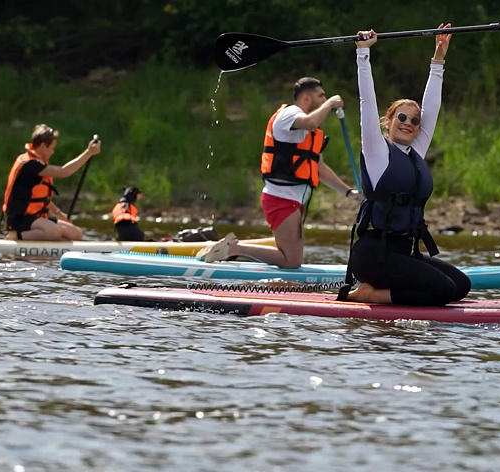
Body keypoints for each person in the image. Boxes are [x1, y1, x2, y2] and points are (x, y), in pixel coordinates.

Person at [339, 24, 471, 306]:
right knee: (444, 291)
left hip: (405, 252)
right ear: (389, 121)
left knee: (460, 286)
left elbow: (431, 109)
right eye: (402, 118)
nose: (409, 124)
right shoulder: (377, 151)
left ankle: (377, 291)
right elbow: (366, 101)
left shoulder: (414, 153)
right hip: (376, 254)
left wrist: (438, 59)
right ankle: (371, 294)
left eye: (414, 120)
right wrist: (363, 55)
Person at [197, 77, 361, 268]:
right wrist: (332, 103)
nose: (325, 100)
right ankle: (234, 249)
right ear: (307, 99)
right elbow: (310, 122)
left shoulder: (310, 131)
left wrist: (349, 193)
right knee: (291, 261)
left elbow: (320, 169)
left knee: (291, 258)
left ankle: (232, 253)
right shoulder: (290, 114)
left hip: (292, 201)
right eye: (321, 96)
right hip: (281, 198)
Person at [2, 124, 101, 241]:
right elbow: (64, 172)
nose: (53, 152)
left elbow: (40, 198)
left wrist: (58, 214)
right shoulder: (30, 165)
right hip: (20, 219)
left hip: (37, 219)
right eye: (52, 148)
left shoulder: (38, 163)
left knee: (76, 234)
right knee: (55, 232)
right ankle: (14, 236)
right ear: (43, 146)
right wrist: (89, 153)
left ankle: (57, 249)